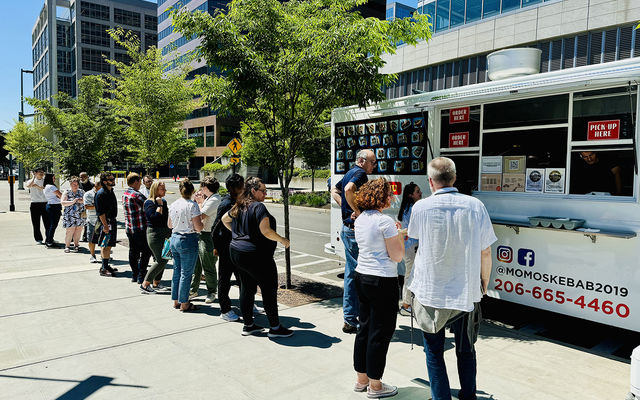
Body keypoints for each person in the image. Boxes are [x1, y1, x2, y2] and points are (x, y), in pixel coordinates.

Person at [407, 157, 497, 400]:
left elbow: (414, 242)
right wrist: (484, 283)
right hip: (466, 290)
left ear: (430, 182)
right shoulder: (475, 205)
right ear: (454, 178)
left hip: (430, 291)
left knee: (434, 352)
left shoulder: (420, 207)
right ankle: (469, 396)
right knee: (466, 350)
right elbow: (486, 251)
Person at [352, 178, 404, 399]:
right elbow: (397, 255)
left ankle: (361, 379)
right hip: (383, 279)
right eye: (389, 194)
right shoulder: (385, 222)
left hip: (362, 275)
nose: (392, 197)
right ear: (383, 197)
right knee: (380, 332)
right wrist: (399, 236)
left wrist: (395, 233)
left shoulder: (361, 219)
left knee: (364, 327)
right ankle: (375, 385)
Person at [222, 177, 293, 338]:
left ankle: (248, 325)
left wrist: (237, 234)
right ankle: (275, 328)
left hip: (237, 253)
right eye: (263, 190)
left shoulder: (240, 205)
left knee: (246, 288)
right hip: (257, 256)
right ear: (253, 191)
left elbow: (224, 219)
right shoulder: (258, 207)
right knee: (268, 290)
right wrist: (282, 240)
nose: (265, 193)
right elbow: (266, 231)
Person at [331, 149, 376, 334]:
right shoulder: (359, 173)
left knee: (351, 273)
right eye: (373, 162)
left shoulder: (350, 171)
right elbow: (348, 189)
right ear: (362, 161)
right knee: (357, 275)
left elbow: (334, 189)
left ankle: (351, 318)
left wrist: (346, 205)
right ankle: (352, 318)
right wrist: (357, 211)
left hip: (347, 229)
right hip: (353, 230)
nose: (375, 165)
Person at [212, 173, 245, 322]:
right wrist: (216, 247)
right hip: (226, 247)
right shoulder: (226, 204)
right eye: (240, 185)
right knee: (224, 280)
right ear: (232, 188)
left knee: (243, 278)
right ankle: (225, 310)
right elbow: (215, 228)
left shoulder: (239, 200)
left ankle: (247, 304)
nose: (243, 187)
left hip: (238, 247)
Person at [168, 179, 203, 312]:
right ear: (192, 191)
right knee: (186, 273)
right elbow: (198, 227)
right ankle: (184, 302)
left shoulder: (174, 204)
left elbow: (169, 225)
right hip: (187, 239)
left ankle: (176, 300)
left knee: (177, 271)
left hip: (174, 237)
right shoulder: (192, 206)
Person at [190, 176, 221, 303]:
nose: (201, 190)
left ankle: (212, 291)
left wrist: (198, 202)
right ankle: (193, 289)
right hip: (201, 234)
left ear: (207, 188)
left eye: (202, 187)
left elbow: (200, 215)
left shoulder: (214, 199)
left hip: (208, 236)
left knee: (208, 265)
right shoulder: (209, 198)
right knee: (196, 265)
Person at [140, 180, 171, 294]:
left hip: (165, 233)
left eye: (164, 188)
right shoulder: (149, 202)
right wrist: (159, 205)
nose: (165, 190)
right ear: (155, 189)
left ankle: (156, 283)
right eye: (162, 188)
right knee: (160, 260)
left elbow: (166, 218)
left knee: (165, 258)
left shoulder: (164, 201)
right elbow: (154, 218)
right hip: (155, 234)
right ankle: (145, 284)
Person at [397, 182, 422, 316]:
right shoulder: (413, 208)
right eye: (417, 191)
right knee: (409, 275)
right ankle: (406, 305)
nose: (420, 193)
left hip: (408, 246)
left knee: (410, 274)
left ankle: (408, 303)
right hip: (411, 246)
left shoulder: (407, 208)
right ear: (410, 195)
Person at [122, 173, 152, 284]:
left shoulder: (125, 193)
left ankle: (135, 274)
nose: (140, 184)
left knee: (133, 251)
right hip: (140, 228)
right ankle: (141, 274)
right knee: (146, 251)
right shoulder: (136, 195)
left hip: (129, 227)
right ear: (135, 182)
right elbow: (148, 206)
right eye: (139, 182)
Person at [93, 172, 119, 277]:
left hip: (111, 221)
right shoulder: (101, 194)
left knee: (109, 245)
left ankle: (106, 265)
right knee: (105, 245)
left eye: (113, 179)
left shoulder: (110, 191)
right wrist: (105, 225)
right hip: (105, 222)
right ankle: (103, 268)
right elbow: (101, 212)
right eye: (111, 179)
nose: (113, 181)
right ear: (104, 182)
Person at [61, 176, 86, 253]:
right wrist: (73, 201)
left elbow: (86, 201)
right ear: (70, 184)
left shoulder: (82, 192)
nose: (75, 186)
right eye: (73, 184)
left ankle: (76, 245)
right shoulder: (67, 192)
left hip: (80, 214)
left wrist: (81, 201)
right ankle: (67, 246)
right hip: (69, 215)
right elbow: (63, 202)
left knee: (78, 230)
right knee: (70, 231)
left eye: (77, 184)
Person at [26, 168, 49, 244]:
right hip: (35, 204)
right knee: (36, 223)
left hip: (45, 203)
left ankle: (49, 238)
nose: (42, 173)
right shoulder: (31, 181)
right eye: (40, 172)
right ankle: (38, 239)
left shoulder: (45, 181)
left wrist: (36, 186)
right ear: (35, 173)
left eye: (42, 172)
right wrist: (33, 177)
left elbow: (45, 189)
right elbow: (29, 185)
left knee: (47, 223)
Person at [83, 180, 102, 263]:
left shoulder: (104, 193)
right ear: (95, 186)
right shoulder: (88, 194)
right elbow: (87, 206)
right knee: (91, 239)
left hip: (103, 220)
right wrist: (100, 206)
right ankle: (92, 255)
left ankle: (104, 255)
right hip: (92, 220)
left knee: (103, 239)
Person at [43, 173, 63, 248]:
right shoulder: (52, 187)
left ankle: (49, 239)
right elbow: (61, 195)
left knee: (50, 225)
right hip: (54, 207)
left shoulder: (46, 187)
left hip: (49, 205)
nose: (54, 179)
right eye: (53, 178)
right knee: (53, 225)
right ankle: (50, 242)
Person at [79, 172, 94, 241]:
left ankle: (85, 235)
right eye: (81, 177)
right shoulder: (78, 184)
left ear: (87, 177)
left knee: (87, 222)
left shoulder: (92, 185)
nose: (82, 178)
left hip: (88, 206)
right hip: (78, 206)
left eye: (83, 177)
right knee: (77, 221)